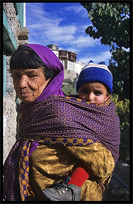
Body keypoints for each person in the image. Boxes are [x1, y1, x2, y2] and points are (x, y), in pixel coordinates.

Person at [3, 44, 120, 201]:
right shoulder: (30, 112)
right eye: (17, 76)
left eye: (32, 75)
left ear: (49, 77)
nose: (22, 84)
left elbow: (104, 164)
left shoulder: (59, 112)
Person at [42, 60, 121, 201]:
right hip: (62, 168)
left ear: (107, 95)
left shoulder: (109, 117)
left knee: (93, 155)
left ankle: (72, 188)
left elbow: (110, 146)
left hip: (91, 178)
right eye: (85, 91)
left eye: (97, 93)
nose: (90, 97)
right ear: (78, 90)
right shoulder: (69, 107)